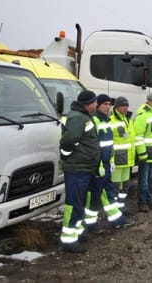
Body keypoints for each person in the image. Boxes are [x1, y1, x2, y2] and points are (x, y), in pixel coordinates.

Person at [59, 90, 100, 253]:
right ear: (88, 104)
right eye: (95, 102)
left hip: (84, 168)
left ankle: (77, 232)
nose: (96, 104)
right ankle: (69, 242)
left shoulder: (83, 116)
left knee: (80, 202)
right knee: (74, 204)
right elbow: (68, 141)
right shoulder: (78, 117)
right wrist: (66, 155)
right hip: (77, 169)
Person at [85, 94, 131, 231]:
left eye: (109, 104)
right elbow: (93, 146)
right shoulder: (94, 121)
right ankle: (116, 220)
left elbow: (109, 145)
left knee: (102, 194)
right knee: (103, 194)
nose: (107, 106)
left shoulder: (105, 121)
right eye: (104, 104)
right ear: (97, 105)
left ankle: (95, 223)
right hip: (98, 166)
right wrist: (98, 165)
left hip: (105, 164)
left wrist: (111, 161)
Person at [134, 93, 152, 213]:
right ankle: (142, 202)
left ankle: (149, 200)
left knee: (150, 179)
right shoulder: (143, 115)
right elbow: (138, 136)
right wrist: (142, 154)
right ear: (149, 101)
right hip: (145, 154)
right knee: (143, 180)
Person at [110, 96, 136, 203]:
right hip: (117, 160)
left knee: (124, 187)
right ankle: (113, 208)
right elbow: (109, 142)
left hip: (127, 160)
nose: (125, 108)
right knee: (115, 186)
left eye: (126, 106)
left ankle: (121, 207)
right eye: (122, 106)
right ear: (117, 107)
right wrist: (111, 160)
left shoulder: (128, 120)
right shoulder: (111, 121)